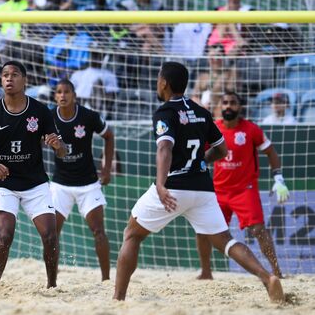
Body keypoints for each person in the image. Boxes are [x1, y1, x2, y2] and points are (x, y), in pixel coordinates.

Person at [113, 62, 285, 302]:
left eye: (158, 78)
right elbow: (222, 150)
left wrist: (161, 184)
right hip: (203, 188)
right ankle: (268, 278)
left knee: (132, 234)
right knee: (226, 241)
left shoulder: (165, 112)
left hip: (174, 186)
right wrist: (202, 160)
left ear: (164, 83)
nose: (156, 83)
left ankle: (118, 299)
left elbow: (164, 148)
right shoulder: (201, 111)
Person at [0, 60, 67, 288]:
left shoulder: (40, 111)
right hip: (4, 183)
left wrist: (57, 146)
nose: (8, 78)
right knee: (5, 235)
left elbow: (63, 152)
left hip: (35, 183)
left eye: (14, 74)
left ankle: (52, 286)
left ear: (24, 80)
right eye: (5, 75)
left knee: (50, 236)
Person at [196, 91, 290, 280]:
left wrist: (278, 178)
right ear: (219, 107)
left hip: (244, 190)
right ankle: (206, 272)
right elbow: (201, 156)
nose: (228, 106)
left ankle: (276, 271)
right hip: (218, 191)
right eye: (224, 103)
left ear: (240, 107)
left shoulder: (251, 129)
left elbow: (271, 152)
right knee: (202, 230)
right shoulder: (213, 129)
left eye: (232, 103)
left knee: (258, 230)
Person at [50, 79, 114, 281]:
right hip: (60, 184)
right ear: (55, 96)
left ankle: (105, 279)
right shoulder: (49, 117)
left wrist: (106, 169)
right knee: (51, 234)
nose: (62, 95)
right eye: (58, 92)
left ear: (74, 95)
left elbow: (109, 136)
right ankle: (52, 279)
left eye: (66, 92)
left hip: (88, 184)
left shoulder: (88, 116)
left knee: (98, 232)